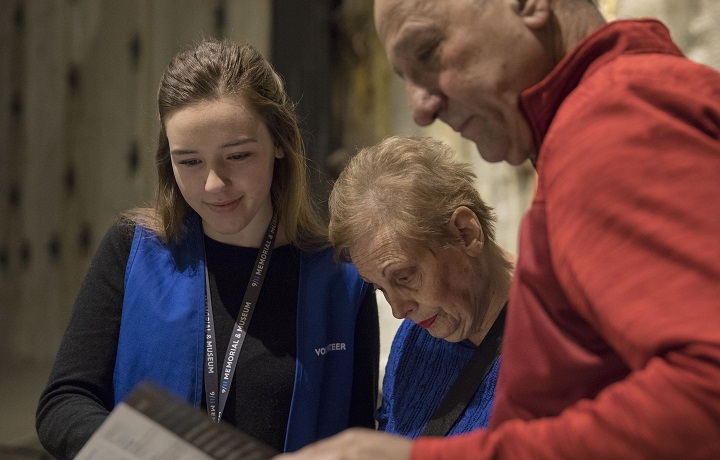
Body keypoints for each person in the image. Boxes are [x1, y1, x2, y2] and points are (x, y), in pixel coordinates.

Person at [275, 0, 720, 459]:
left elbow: (707, 393)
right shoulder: (611, 113)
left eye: (428, 52)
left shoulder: (616, 121)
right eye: (404, 78)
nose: (421, 108)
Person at [36, 38, 379, 459]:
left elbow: (362, 436)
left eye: (237, 155)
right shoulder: (133, 250)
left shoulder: (341, 278)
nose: (214, 185)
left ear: (279, 144)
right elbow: (64, 403)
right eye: (190, 162)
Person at [329, 135, 513, 438]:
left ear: (465, 233)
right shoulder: (417, 337)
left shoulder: (557, 338)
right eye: (381, 289)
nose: (399, 310)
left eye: (404, 277)